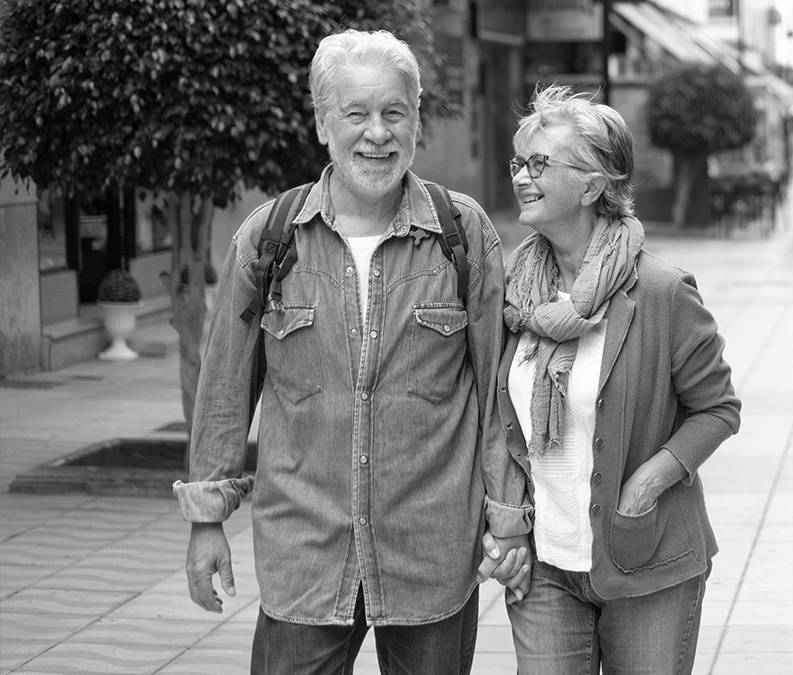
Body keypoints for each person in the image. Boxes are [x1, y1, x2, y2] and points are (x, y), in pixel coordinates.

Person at [172, 29, 532, 674]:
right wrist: (206, 519)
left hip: (430, 551)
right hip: (305, 553)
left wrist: (507, 516)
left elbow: (497, 386)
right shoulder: (270, 237)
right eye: (356, 114)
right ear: (321, 123)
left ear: (417, 120)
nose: (377, 134)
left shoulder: (462, 233)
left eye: (394, 112)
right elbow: (226, 387)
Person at [481, 84, 741, 674]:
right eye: (519, 161)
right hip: (544, 564)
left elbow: (718, 408)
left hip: (646, 559)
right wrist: (506, 527)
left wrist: (647, 483)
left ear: (594, 185)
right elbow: (498, 420)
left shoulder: (661, 291)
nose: (521, 175)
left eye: (540, 163)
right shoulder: (513, 292)